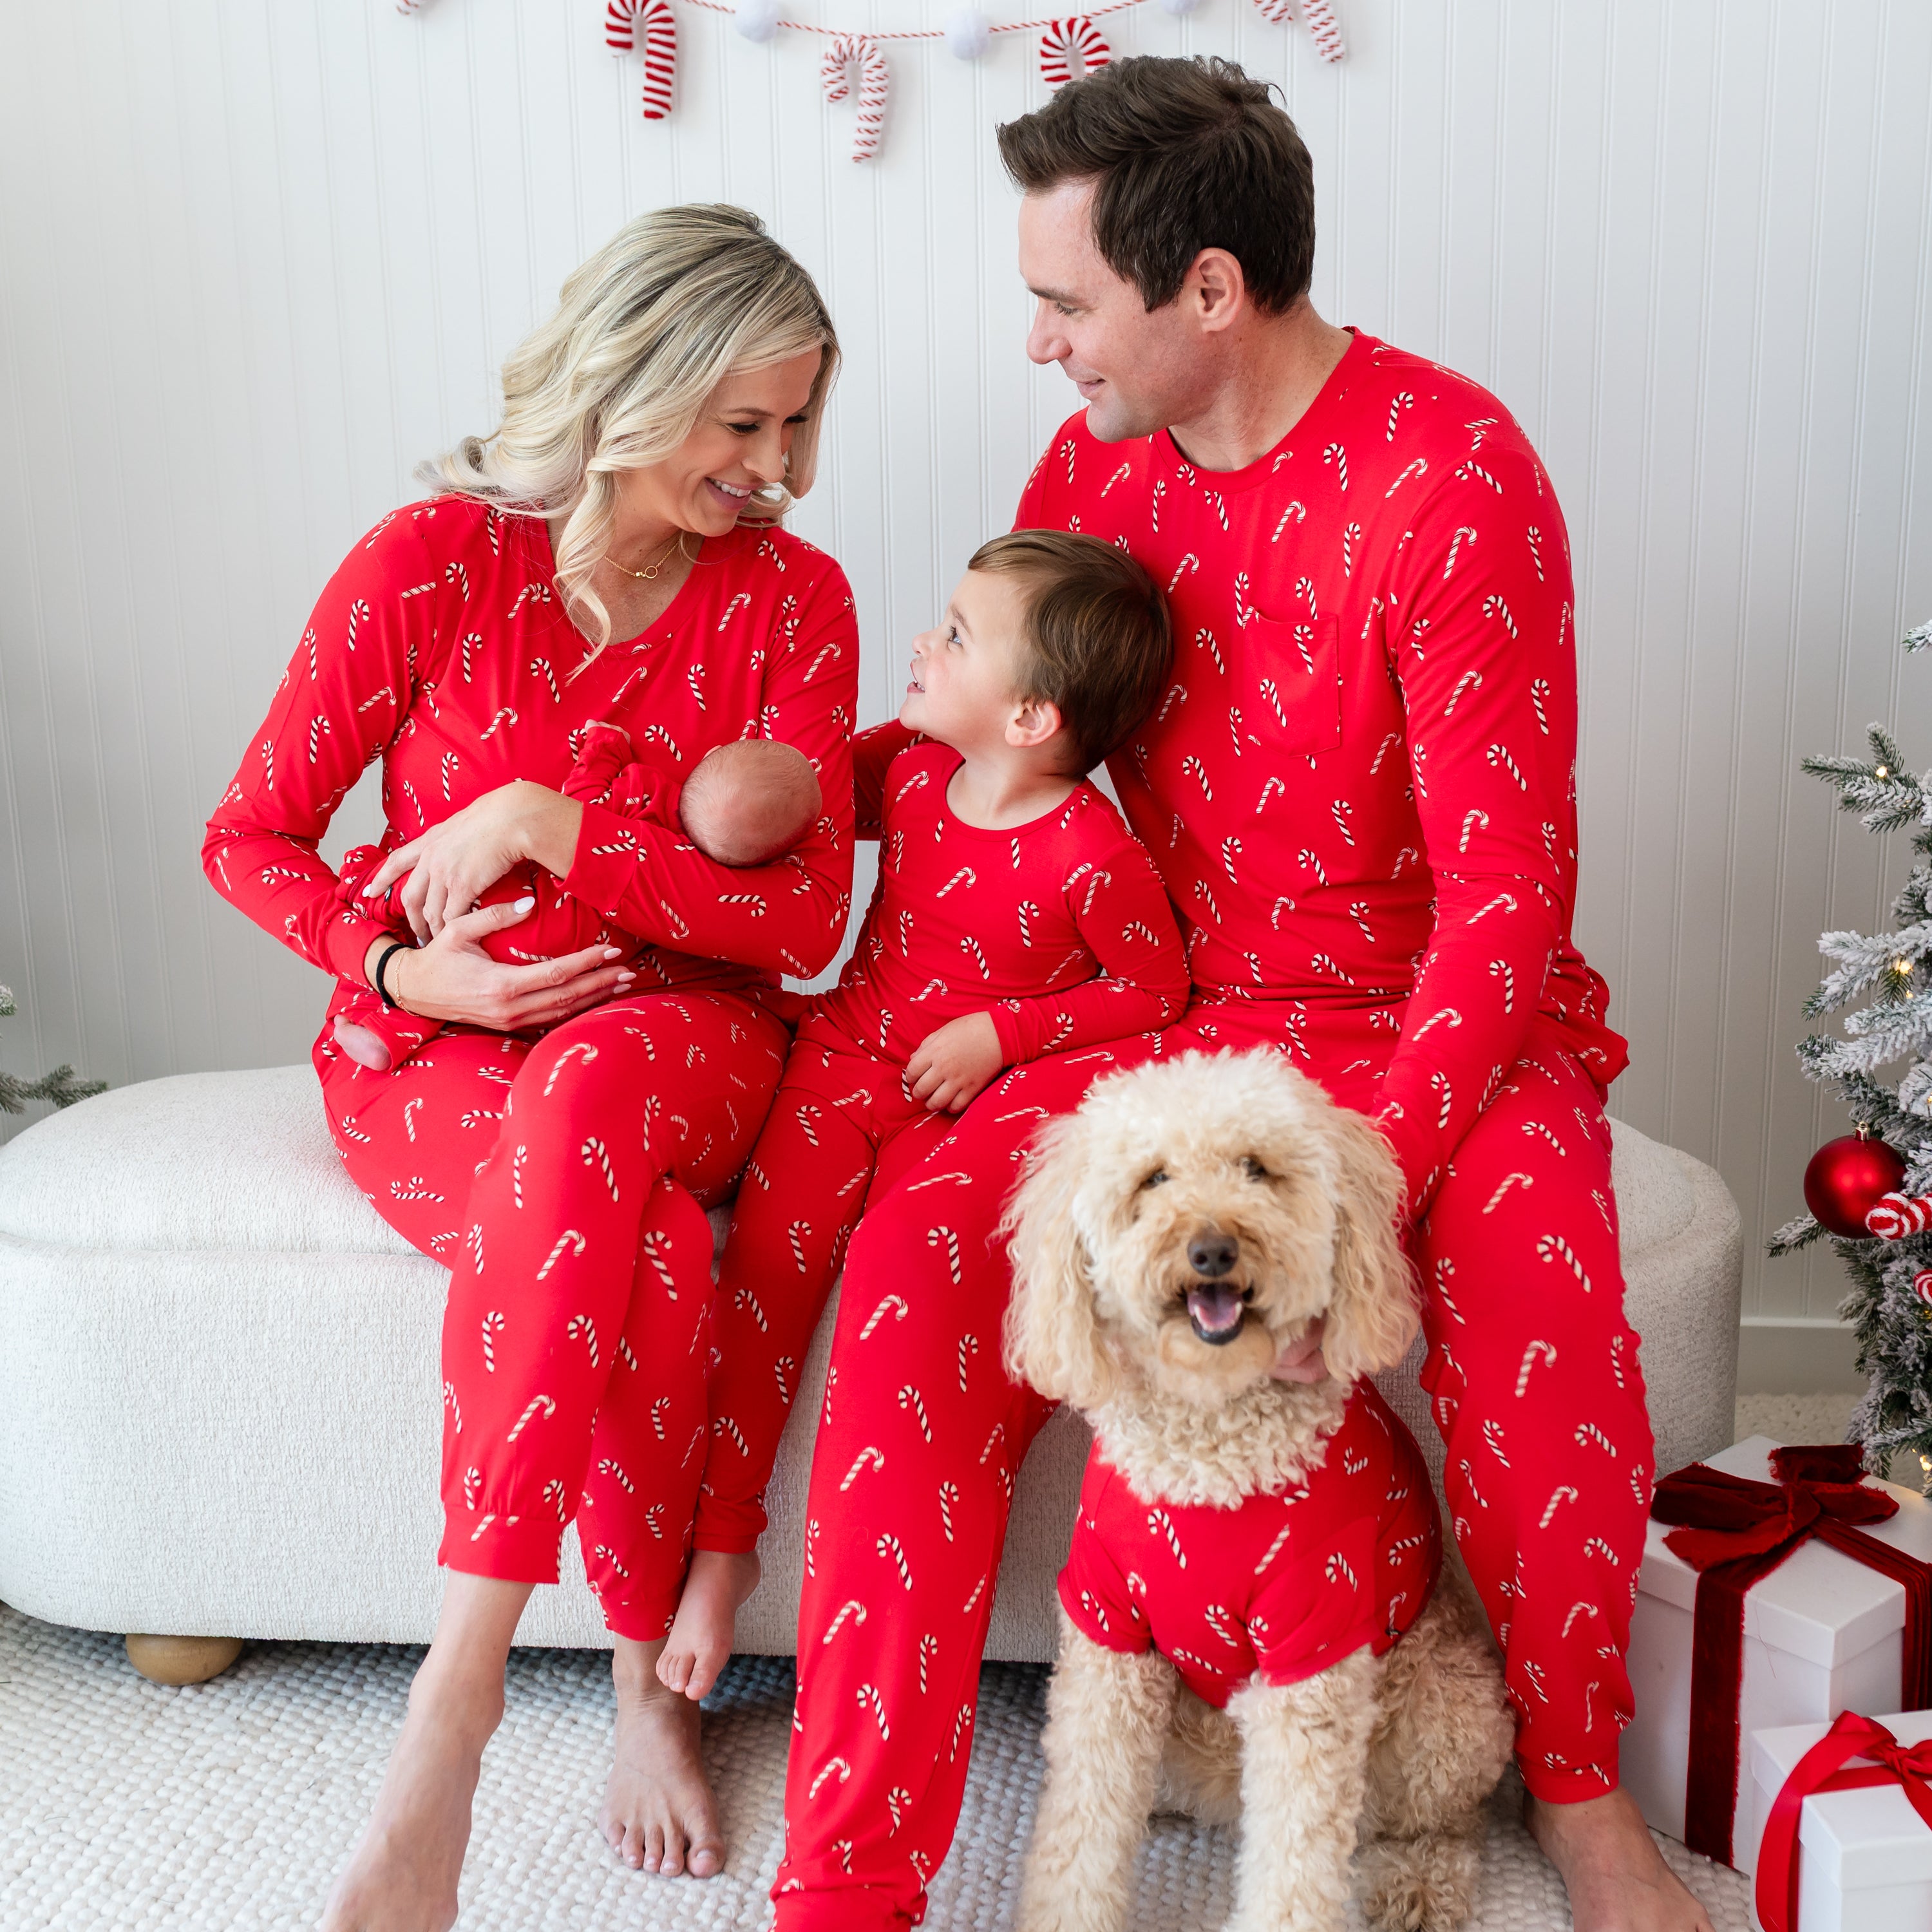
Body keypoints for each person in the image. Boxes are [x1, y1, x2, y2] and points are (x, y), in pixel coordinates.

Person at [769, 59, 1712, 1932]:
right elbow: (1009, 759)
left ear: (1208, 290)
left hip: (1428, 1010)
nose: (1040, 346)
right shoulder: (1089, 472)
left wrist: (1362, 1174)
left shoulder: (1452, 472)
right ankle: (849, 1880)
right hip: (1145, 1018)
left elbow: (1510, 897)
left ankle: (1585, 1791)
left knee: (1533, 1274)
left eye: (1066, 305)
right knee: (910, 1272)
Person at [202, 204, 858, 1931]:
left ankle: (453, 1703)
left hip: (692, 1040)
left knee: (593, 1099)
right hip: (436, 1048)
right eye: (743, 423)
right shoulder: (429, 561)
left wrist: (555, 821)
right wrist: (410, 965)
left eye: (798, 422)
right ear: (632, 384)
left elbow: (797, 924)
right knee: (636, 1241)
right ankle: (645, 1687)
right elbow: (253, 837)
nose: (777, 463)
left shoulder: (797, 600)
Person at [656, 531, 1189, 1698]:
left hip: (954, 1114)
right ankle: (722, 1547)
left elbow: (1154, 990)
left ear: (1034, 717)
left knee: (892, 1324)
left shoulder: (1090, 852)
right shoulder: (900, 773)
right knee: (762, 1290)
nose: (921, 640)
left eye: (954, 636)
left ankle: (865, 1592)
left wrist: (1003, 1035)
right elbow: (773, 803)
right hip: (838, 1066)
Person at [328, 731, 822, 1072]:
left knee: (436, 915)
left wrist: (604, 747)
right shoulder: (707, 882)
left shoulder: (643, 795)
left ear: (712, 753)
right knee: (473, 976)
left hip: (532, 907)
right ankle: (388, 1035)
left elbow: (581, 799)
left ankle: (363, 892)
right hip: (582, 950)